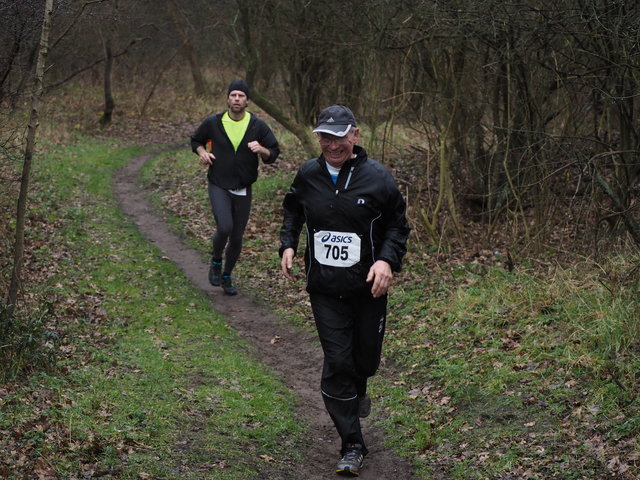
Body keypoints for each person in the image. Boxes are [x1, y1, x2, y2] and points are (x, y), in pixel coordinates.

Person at [279, 105, 410, 476]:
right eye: (325, 136)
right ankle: (352, 443)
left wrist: (386, 261)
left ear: (354, 135)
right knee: (338, 363)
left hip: (368, 289)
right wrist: (288, 244)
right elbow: (293, 211)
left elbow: (398, 228)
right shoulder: (308, 174)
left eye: (339, 136)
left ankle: (359, 384)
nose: (332, 144)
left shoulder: (378, 178)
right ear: (317, 136)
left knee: (364, 361)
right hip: (324, 288)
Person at [191, 79, 280, 295]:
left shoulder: (257, 125)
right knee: (224, 227)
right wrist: (202, 153)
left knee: (237, 237)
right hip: (219, 183)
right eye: (233, 95)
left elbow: (274, 153)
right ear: (228, 99)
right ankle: (215, 261)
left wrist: (262, 150)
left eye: (241, 96)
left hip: (243, 186)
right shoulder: (214, 122)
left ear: (247, 100)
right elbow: (195, 141)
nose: (237, 99)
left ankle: (227, 275)